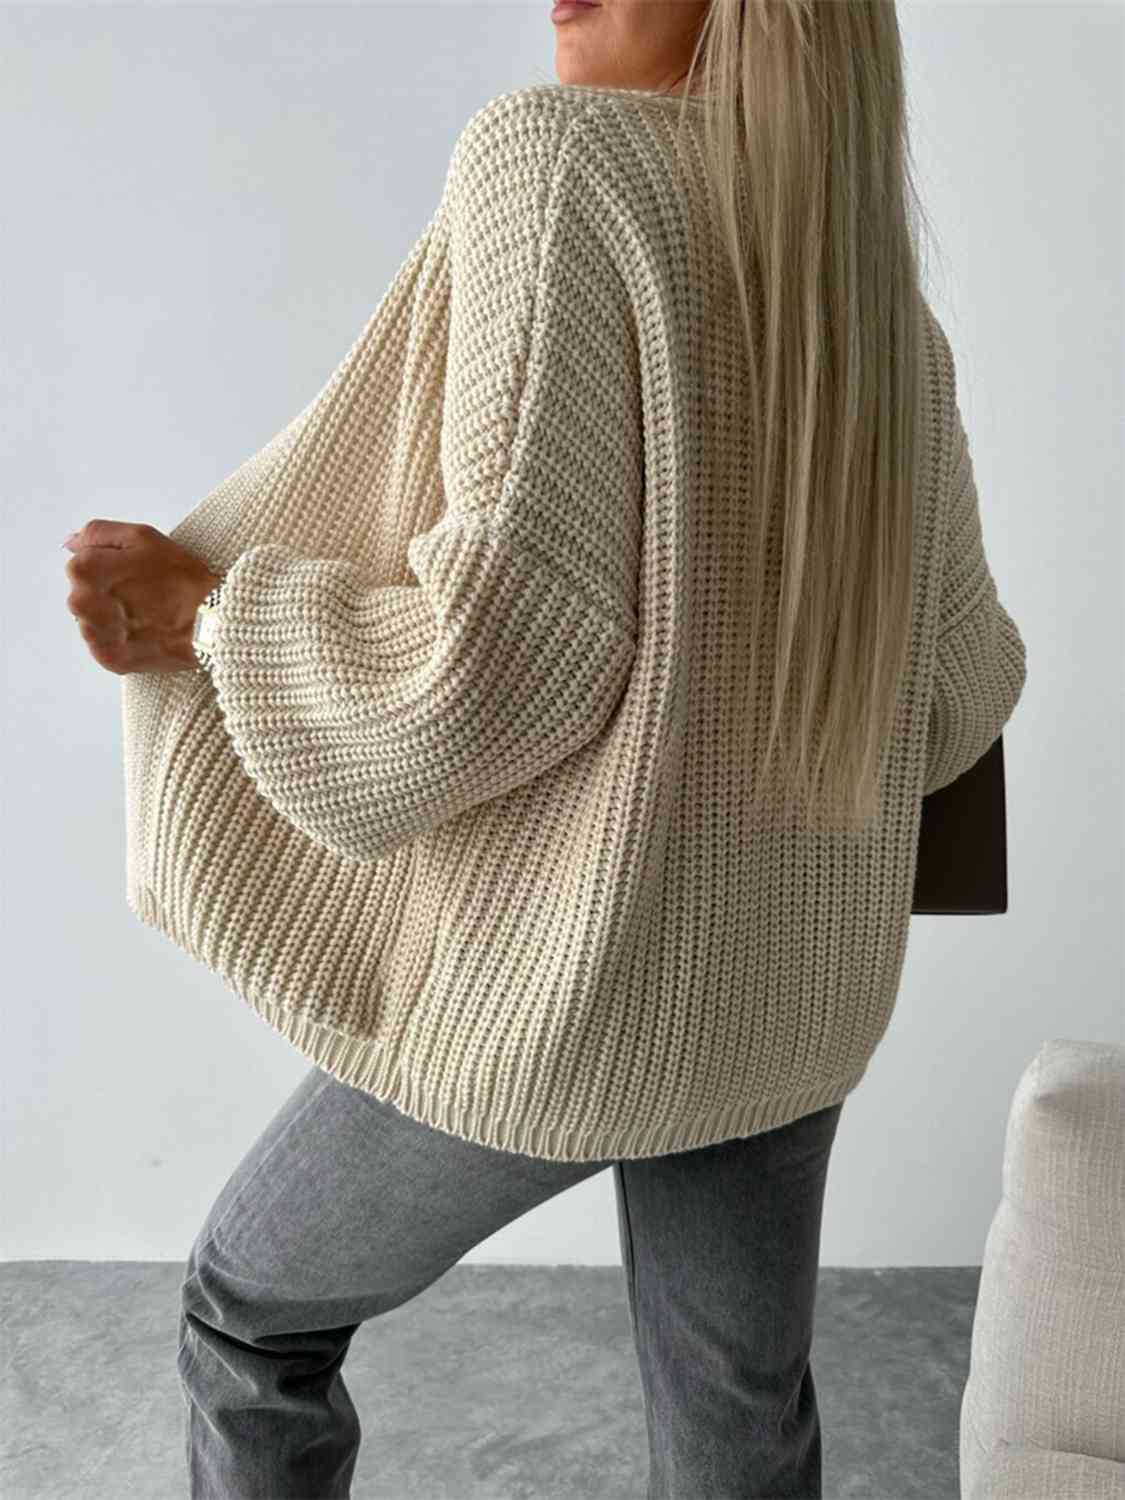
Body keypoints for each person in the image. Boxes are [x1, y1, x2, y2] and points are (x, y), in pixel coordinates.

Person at [61, 2, 1027, 1496]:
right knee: (734, 1422)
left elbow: (501, 659)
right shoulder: (868, 288)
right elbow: (957, 687)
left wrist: (211, 613)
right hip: (788, 998)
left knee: (248, 1316)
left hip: (572, 993)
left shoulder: (560, 160)